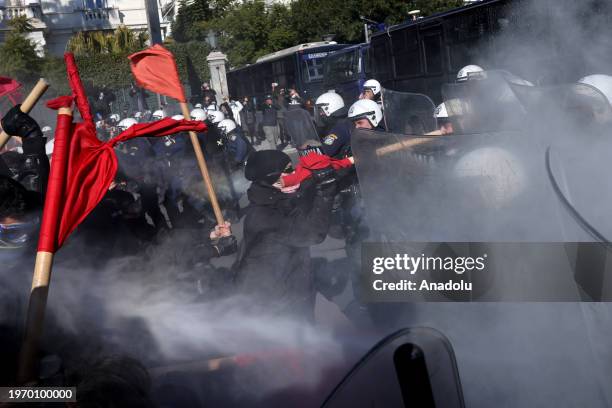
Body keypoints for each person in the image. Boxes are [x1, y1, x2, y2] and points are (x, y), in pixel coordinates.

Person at [233, 150, 337, 318]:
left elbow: (304, 191)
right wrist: (325, 192)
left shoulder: (275, 197)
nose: (294, 172)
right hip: (274, 303)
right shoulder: (262, 217)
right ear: (271, 177)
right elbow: (313, 234)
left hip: (295, 288)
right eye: (289, 170)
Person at [315, 92, 352, 159]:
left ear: (328, 108)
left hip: (343, 166)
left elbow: (325, 152)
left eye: (321, 110)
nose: (320, 114)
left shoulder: (339, 129)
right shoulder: (346, 121)